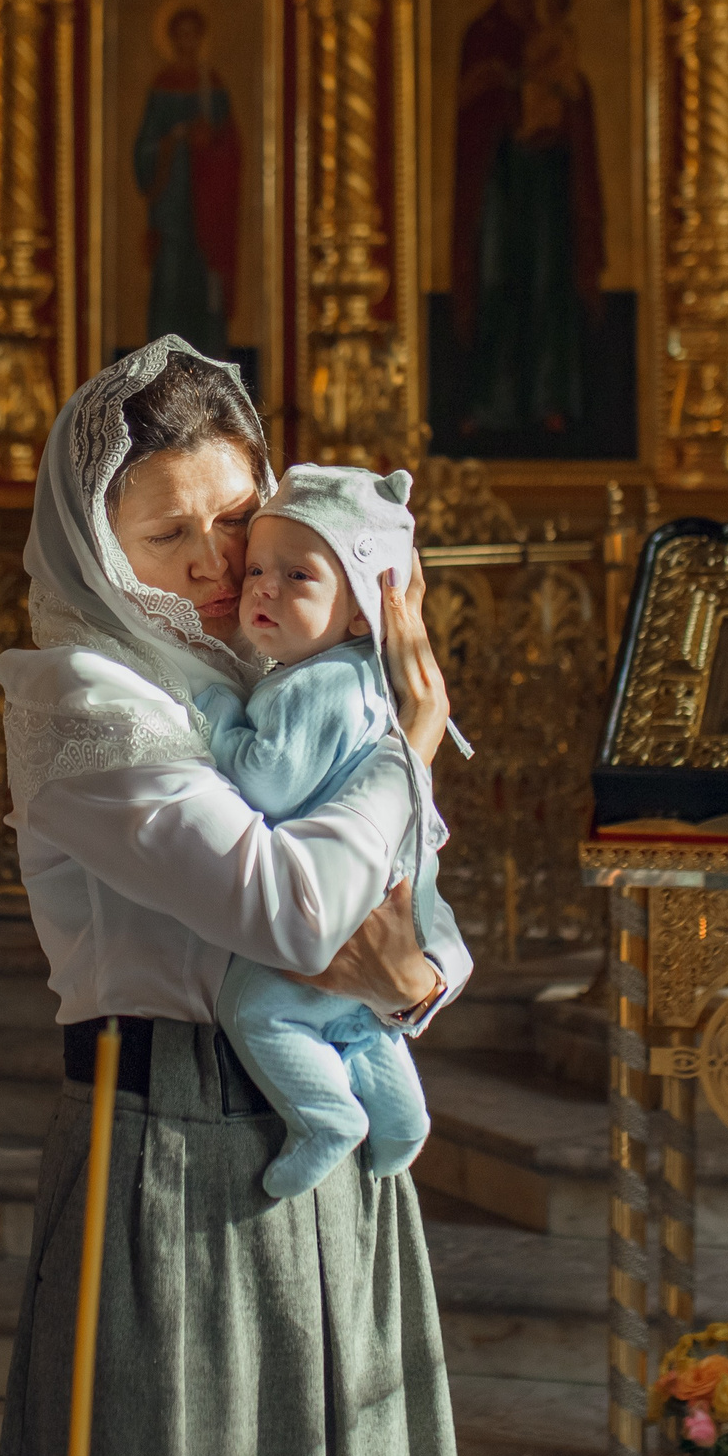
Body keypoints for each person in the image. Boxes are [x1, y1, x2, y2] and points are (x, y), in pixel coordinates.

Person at [0, 336, 471, 1456]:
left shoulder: (289, 674)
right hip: (171, 1171)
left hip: (333, 1148)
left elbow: (406, 927)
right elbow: (307, 910)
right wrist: (410, 741)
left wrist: (414, 988)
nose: (214, 565)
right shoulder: (80, 701)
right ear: (99, 545)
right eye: (166, 537)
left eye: (237, 518)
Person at [190, 465, 460, 1199]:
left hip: (335, 909)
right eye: (256, 571)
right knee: (357, 1026)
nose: (262, 590)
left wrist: (216, 714)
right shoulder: (359, 679)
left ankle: (327, 1119)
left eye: (297, 576)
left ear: (365, 614)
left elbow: (268, 779)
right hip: (378, 909)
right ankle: (401, 1124)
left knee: (254, 1009)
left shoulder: (318, 683)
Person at [451, 0, 604, 438]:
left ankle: (550, 400)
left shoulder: (553, 36)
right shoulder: (484, 34)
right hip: (499, 176)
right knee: (496, 283)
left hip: (545, 180)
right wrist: (500, 82)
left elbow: (574, 104)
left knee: (547, 286)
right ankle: (491, 404)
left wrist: (565, 100)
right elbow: (468, 105)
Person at [134, 3, 242, 356]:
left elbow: (230, 143)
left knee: (203, 285)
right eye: (180, 35)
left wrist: (208, 141)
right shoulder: (162, 86)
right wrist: (173, 140)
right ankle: (161, 362)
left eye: (192, 35)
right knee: (169, 280)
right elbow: (144, 148)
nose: (186, 42)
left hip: (207, 206)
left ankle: (210, 358)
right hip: (172, 204)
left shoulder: (213, 85)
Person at [518, 0, 584, 140]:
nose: (551, 11)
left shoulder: (566, 33)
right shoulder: (544, 30)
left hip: (557, 75)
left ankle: (542, 123)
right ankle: (531, 125)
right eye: (550, 6)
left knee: (537, 87)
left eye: (555, 7)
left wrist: (546, 63)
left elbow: (564, 58)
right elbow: (533, 52)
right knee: (529, 85)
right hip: (541, 72)